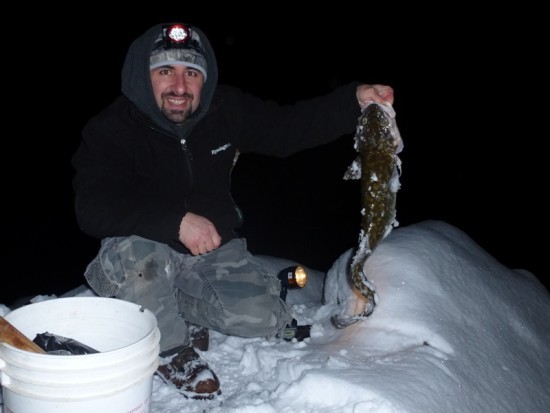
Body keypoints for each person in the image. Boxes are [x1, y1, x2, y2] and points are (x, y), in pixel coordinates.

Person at [71, 21, 394, 400]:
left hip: (210, 250)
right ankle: (168, 347)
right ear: (144, 77)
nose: (179, 86)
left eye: (191, 73)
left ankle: (171, 303)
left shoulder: (226, 109)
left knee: (263, 318)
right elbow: (91, 206)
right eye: (165, 71)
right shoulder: (111, 129)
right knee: (143, 261)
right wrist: (174, 222)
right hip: (142, 248)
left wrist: (352, 100)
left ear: (204, 80)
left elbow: (289, 128)